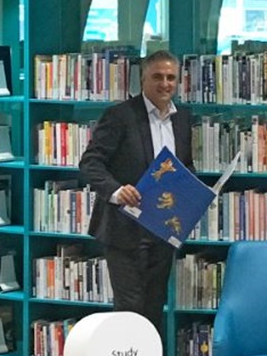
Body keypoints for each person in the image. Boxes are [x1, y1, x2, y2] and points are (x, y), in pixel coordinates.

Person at [78, 49, 194, 341]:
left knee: (154, 307)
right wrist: (116, 191)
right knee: (129, 308)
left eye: (171, 78)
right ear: (143, 79)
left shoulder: (182, 120)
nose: (165, 84)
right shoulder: (120, 116)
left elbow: (185, 166)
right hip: (124, 228)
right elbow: (90, 162)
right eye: (157, 77)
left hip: (163, 228)